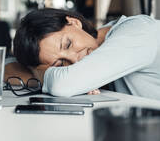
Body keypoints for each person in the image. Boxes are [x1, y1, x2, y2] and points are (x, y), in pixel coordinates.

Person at [11, 8, 160, 100]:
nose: (75, 60)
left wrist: (39, 71)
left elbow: (62, 84)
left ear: (74, 23)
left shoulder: (138, 31)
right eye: (60, 64)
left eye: (68, 44)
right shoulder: (101, 45)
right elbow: (7, 67)